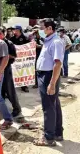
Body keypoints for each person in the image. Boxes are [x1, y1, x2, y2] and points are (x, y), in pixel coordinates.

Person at [34, 18, 64, 146]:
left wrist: (52, 83)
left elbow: (57, 64)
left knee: (48, 107)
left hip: (48, 76)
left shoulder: (56, 42)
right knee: (54, 104)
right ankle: (57, 132)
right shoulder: (48, 40)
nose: (40, 30)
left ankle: (49, 137)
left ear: (49, 28)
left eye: (41, 28)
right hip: (45, 75)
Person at [0, 27, 23, 119]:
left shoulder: (9, 43)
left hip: (6, 69)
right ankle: (1, 107)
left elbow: (14, 56)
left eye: (1, 33)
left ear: (4, 33)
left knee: (9, 90)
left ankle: (17, 108)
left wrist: (4, 55)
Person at [10, 25, 30, 93]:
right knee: (14, 71)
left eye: (15, 29)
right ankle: (14, 84)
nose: (14, 31)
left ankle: (24, 86)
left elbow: (28, 47)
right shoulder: (12, 38)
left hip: (22, 58)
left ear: (19, 30)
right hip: (14, 58)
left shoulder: (25, 38)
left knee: (23, 72)